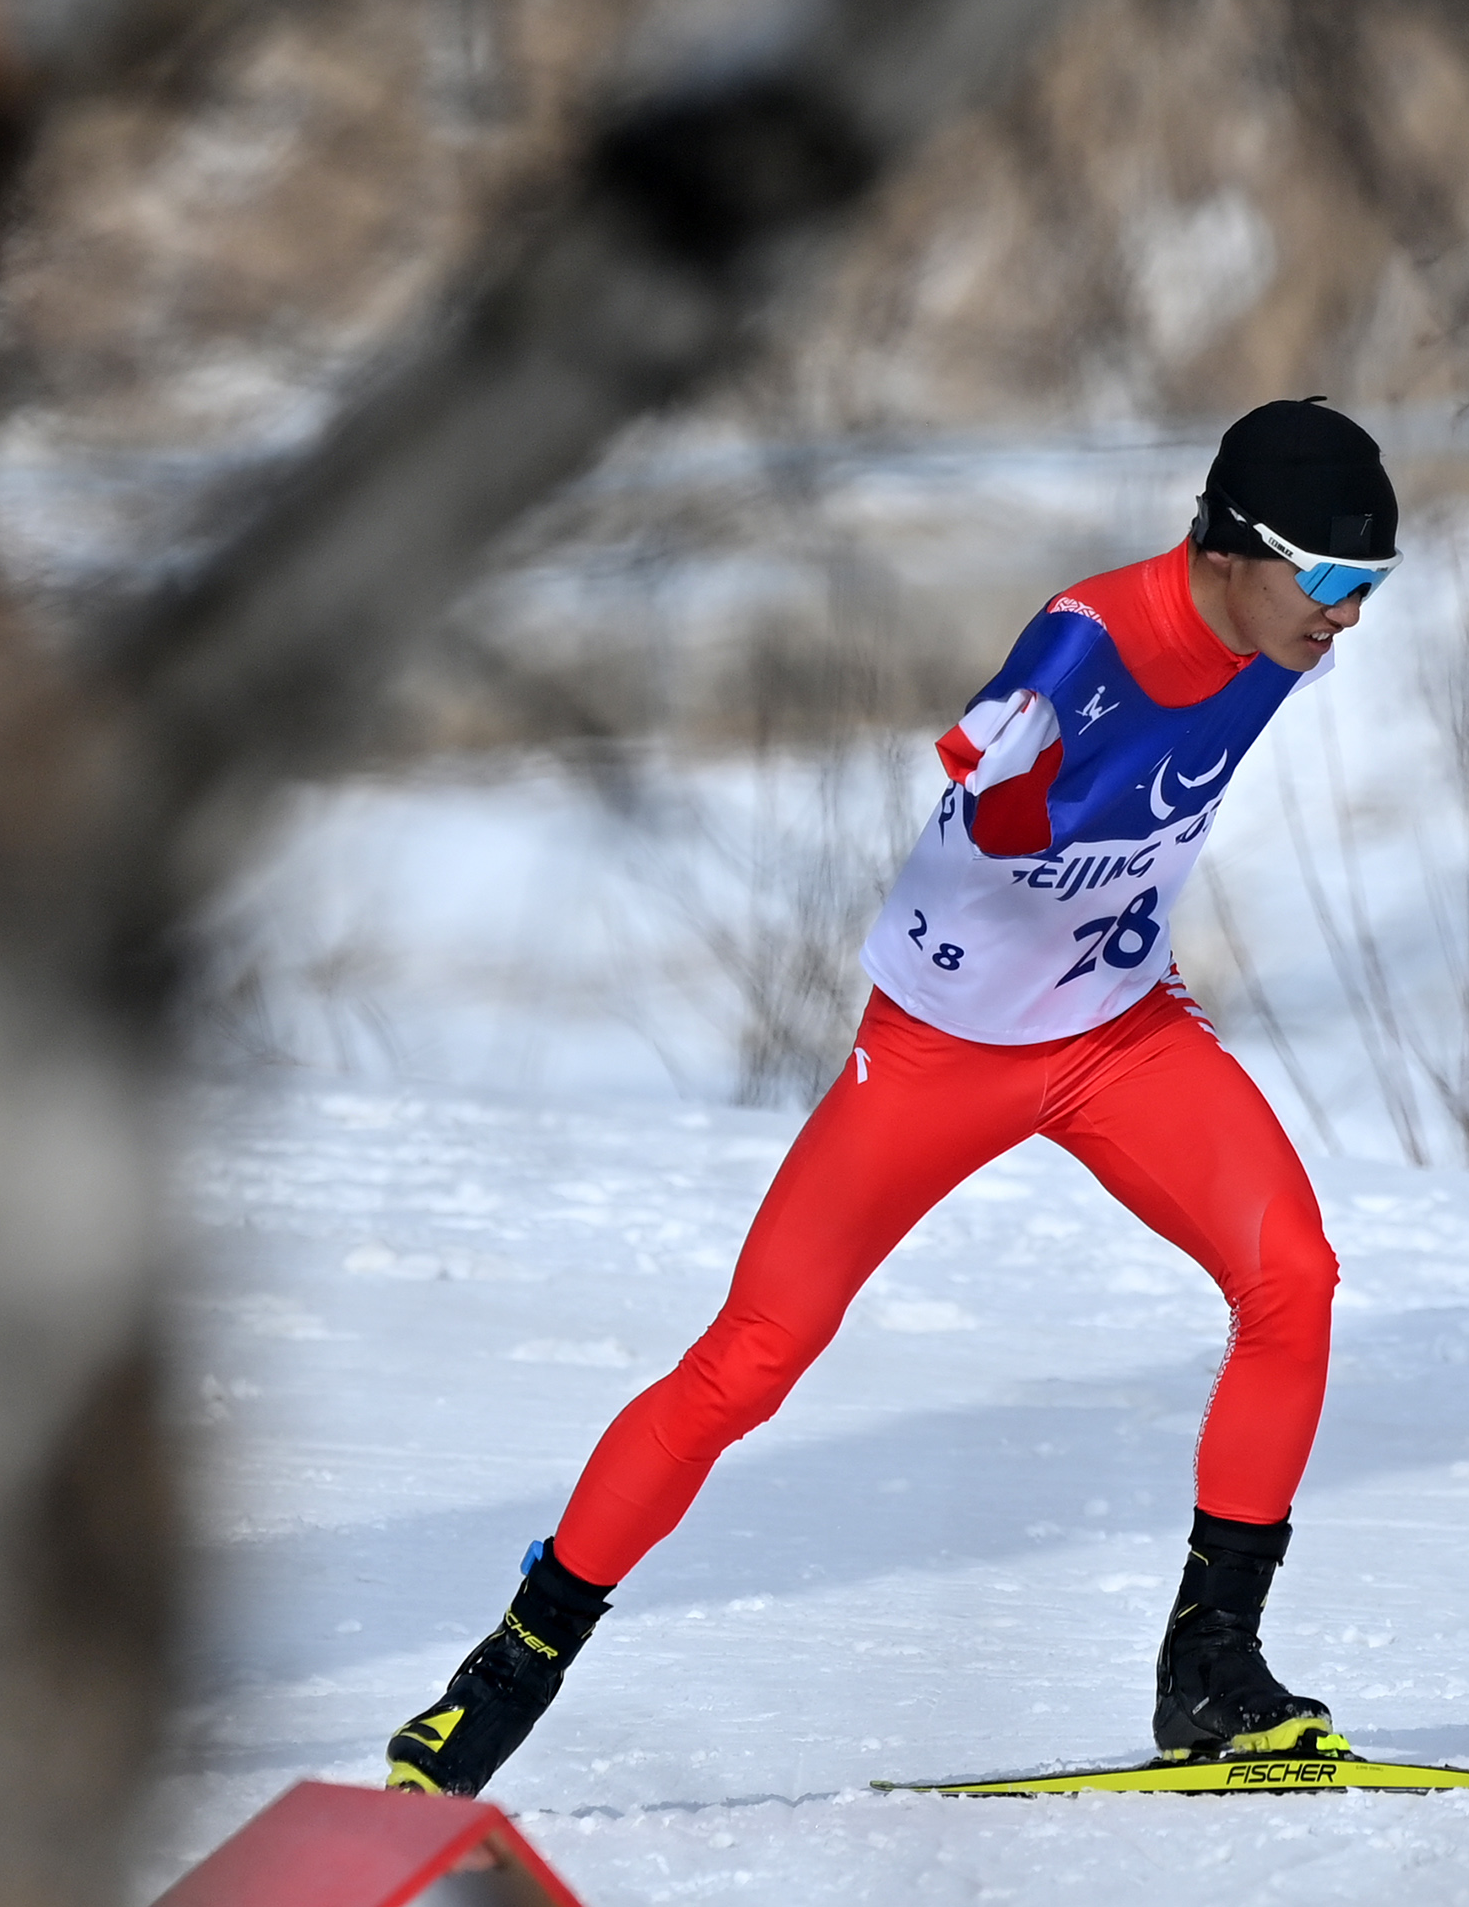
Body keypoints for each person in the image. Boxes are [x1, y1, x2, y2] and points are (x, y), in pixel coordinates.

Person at [384, 399, 1397, 1795]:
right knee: (751, 1358)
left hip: (1119, 1034)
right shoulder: (1088, 643)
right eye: (1333, 582)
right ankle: (499, 1676)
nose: (1347, 620)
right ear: (1229, 545)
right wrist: (1011, 785)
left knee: (1293, 1279)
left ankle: (1212, 1670)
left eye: (1373, 589)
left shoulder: (1280, 635)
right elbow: (1005, 808)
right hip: (936, 1059)